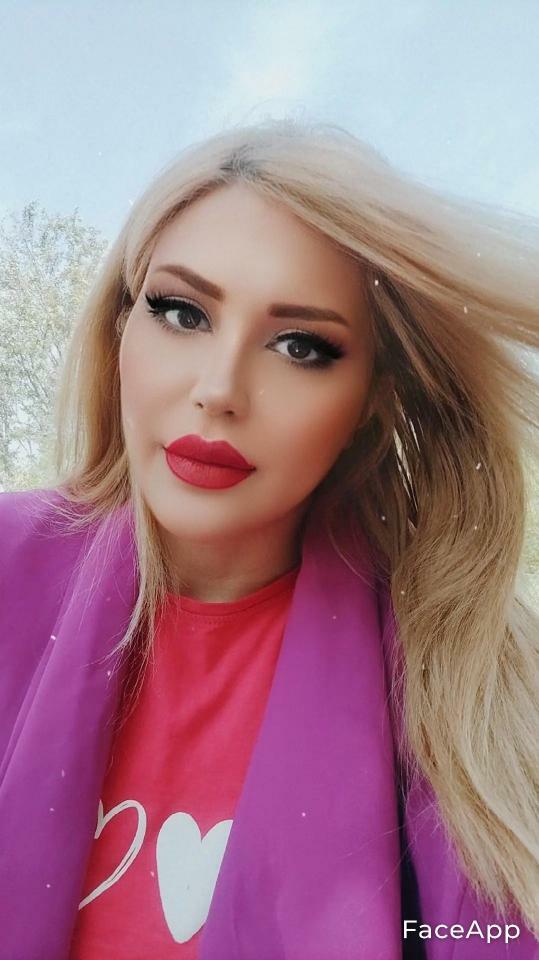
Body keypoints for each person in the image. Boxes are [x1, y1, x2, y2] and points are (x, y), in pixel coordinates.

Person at [0, 118, 537, 960]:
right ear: (118, 329)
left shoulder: (475, 680)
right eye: (181, 311)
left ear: (371, 400)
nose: (218, 389)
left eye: (300, 346)